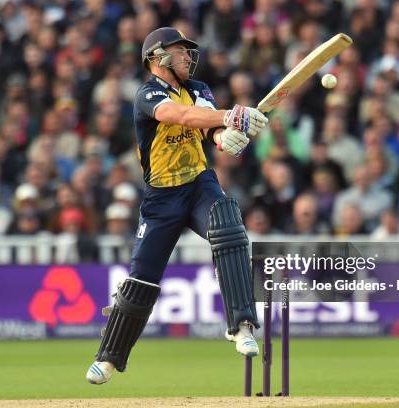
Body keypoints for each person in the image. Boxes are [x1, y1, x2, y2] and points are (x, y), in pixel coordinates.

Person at [86, 27, 268, 384]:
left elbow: (206, 123)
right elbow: (181, 117)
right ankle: (109, 356)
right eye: (181, 51)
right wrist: (229, 116)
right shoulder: (147, 94)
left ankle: (241, 325)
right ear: (159, 56)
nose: (188, 57)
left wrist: (223, 136)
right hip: (161, 197)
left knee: (228, 224)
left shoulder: (198, 89)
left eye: (188, 51)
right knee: (142, 279)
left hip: (199, 185)